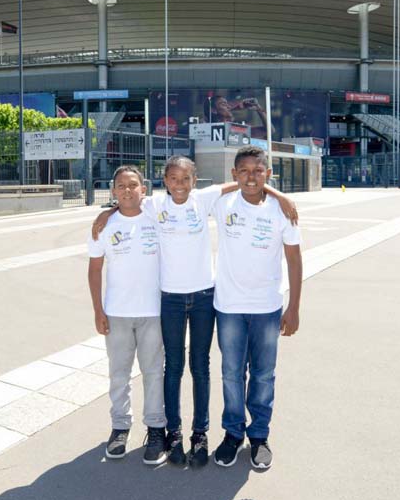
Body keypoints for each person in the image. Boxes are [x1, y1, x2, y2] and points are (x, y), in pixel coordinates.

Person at [92, 156, 297, 468]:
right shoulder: (154, 205)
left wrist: (279, 194)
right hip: (170, 300)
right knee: (172, 367)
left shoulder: (205, 199)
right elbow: (128, 200)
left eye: (185, 179)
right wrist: (107, 212)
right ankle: (172, 433)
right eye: (173, 179)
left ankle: (199, 435)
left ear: (194, 180)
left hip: (204, 297)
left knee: (201, 367)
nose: (179, 185)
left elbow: (243, 181)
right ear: (163, 182)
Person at [213, 145, 302, 470]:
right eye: (244, 171)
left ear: (268, 174)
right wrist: (108, 211)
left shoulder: (283, 212)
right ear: (234, 175)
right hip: (229, 308)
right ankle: (233, 434)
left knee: (263, 375)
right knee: (231, 374)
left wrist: (293, 308)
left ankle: (259, 435)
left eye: (258, 171)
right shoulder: (222, 203)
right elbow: (181, 195)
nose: (251, 177)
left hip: (267, 308)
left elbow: (294, 259)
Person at [86, 165, 167, 464]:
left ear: (144, 189)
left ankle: (156, 428)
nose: (127, 190)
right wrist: (98, 310)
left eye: (133, 185)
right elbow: (95, 269)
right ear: (113, 191)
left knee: (154, 373)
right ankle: (120, 426)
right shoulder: (103, 226)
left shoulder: (156, 218)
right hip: (117, 313)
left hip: (154, 312)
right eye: (121, 186)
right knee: (118, 374)